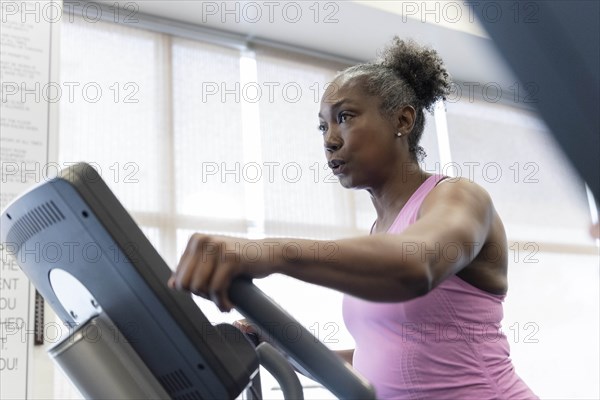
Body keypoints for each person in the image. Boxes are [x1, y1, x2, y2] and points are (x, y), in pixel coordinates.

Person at [169, 37, 538, 399]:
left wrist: (270, 253)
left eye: (344, 117)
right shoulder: (381, 232)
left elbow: (416, 266)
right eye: (322, 126)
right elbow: (376, 365)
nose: (330, 140)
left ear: (403, 120)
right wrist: (280, 346)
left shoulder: (458, 197)